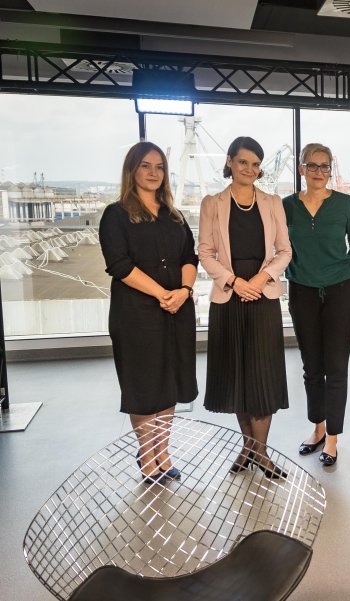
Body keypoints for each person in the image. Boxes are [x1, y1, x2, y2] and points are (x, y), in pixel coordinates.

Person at [99, 141, 198, 485]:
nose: (153, 173)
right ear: (132, 170)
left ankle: (163, 451)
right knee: (144, 385)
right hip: (137, 315)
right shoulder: (116, 214)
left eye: (159, 167)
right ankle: (146, 452)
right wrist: (162, 294)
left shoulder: (174, 214)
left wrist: (183, 292)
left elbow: (190, 256)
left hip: (177, 311)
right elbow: (119, 264)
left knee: (169, 383)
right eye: (146, 166)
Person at [198, 136, 292, 479]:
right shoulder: (213, 203)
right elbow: (205, 252)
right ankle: (248, 447)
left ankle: (260, 452)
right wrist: (235, 282)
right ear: (230, 162)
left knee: (262, 378)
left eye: (255, 164)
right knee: (237, 377)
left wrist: (259, 279)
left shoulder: (272, 202)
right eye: (243, 162)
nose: (249, 169)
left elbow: (285, 251)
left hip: (262, 296)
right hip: (229, 297)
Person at [284, 143, 350, 466]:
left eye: (324, 166)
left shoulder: (345, 204)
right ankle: (317, 428)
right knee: (311, 367)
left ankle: (333, 438)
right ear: (302, 169)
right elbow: (278, 245)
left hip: (339, 292)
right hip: (301, 291)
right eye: (312, 166)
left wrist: (343, 275)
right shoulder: (287, 206)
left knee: (336, 367)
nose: (319, 172)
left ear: (331, 170)